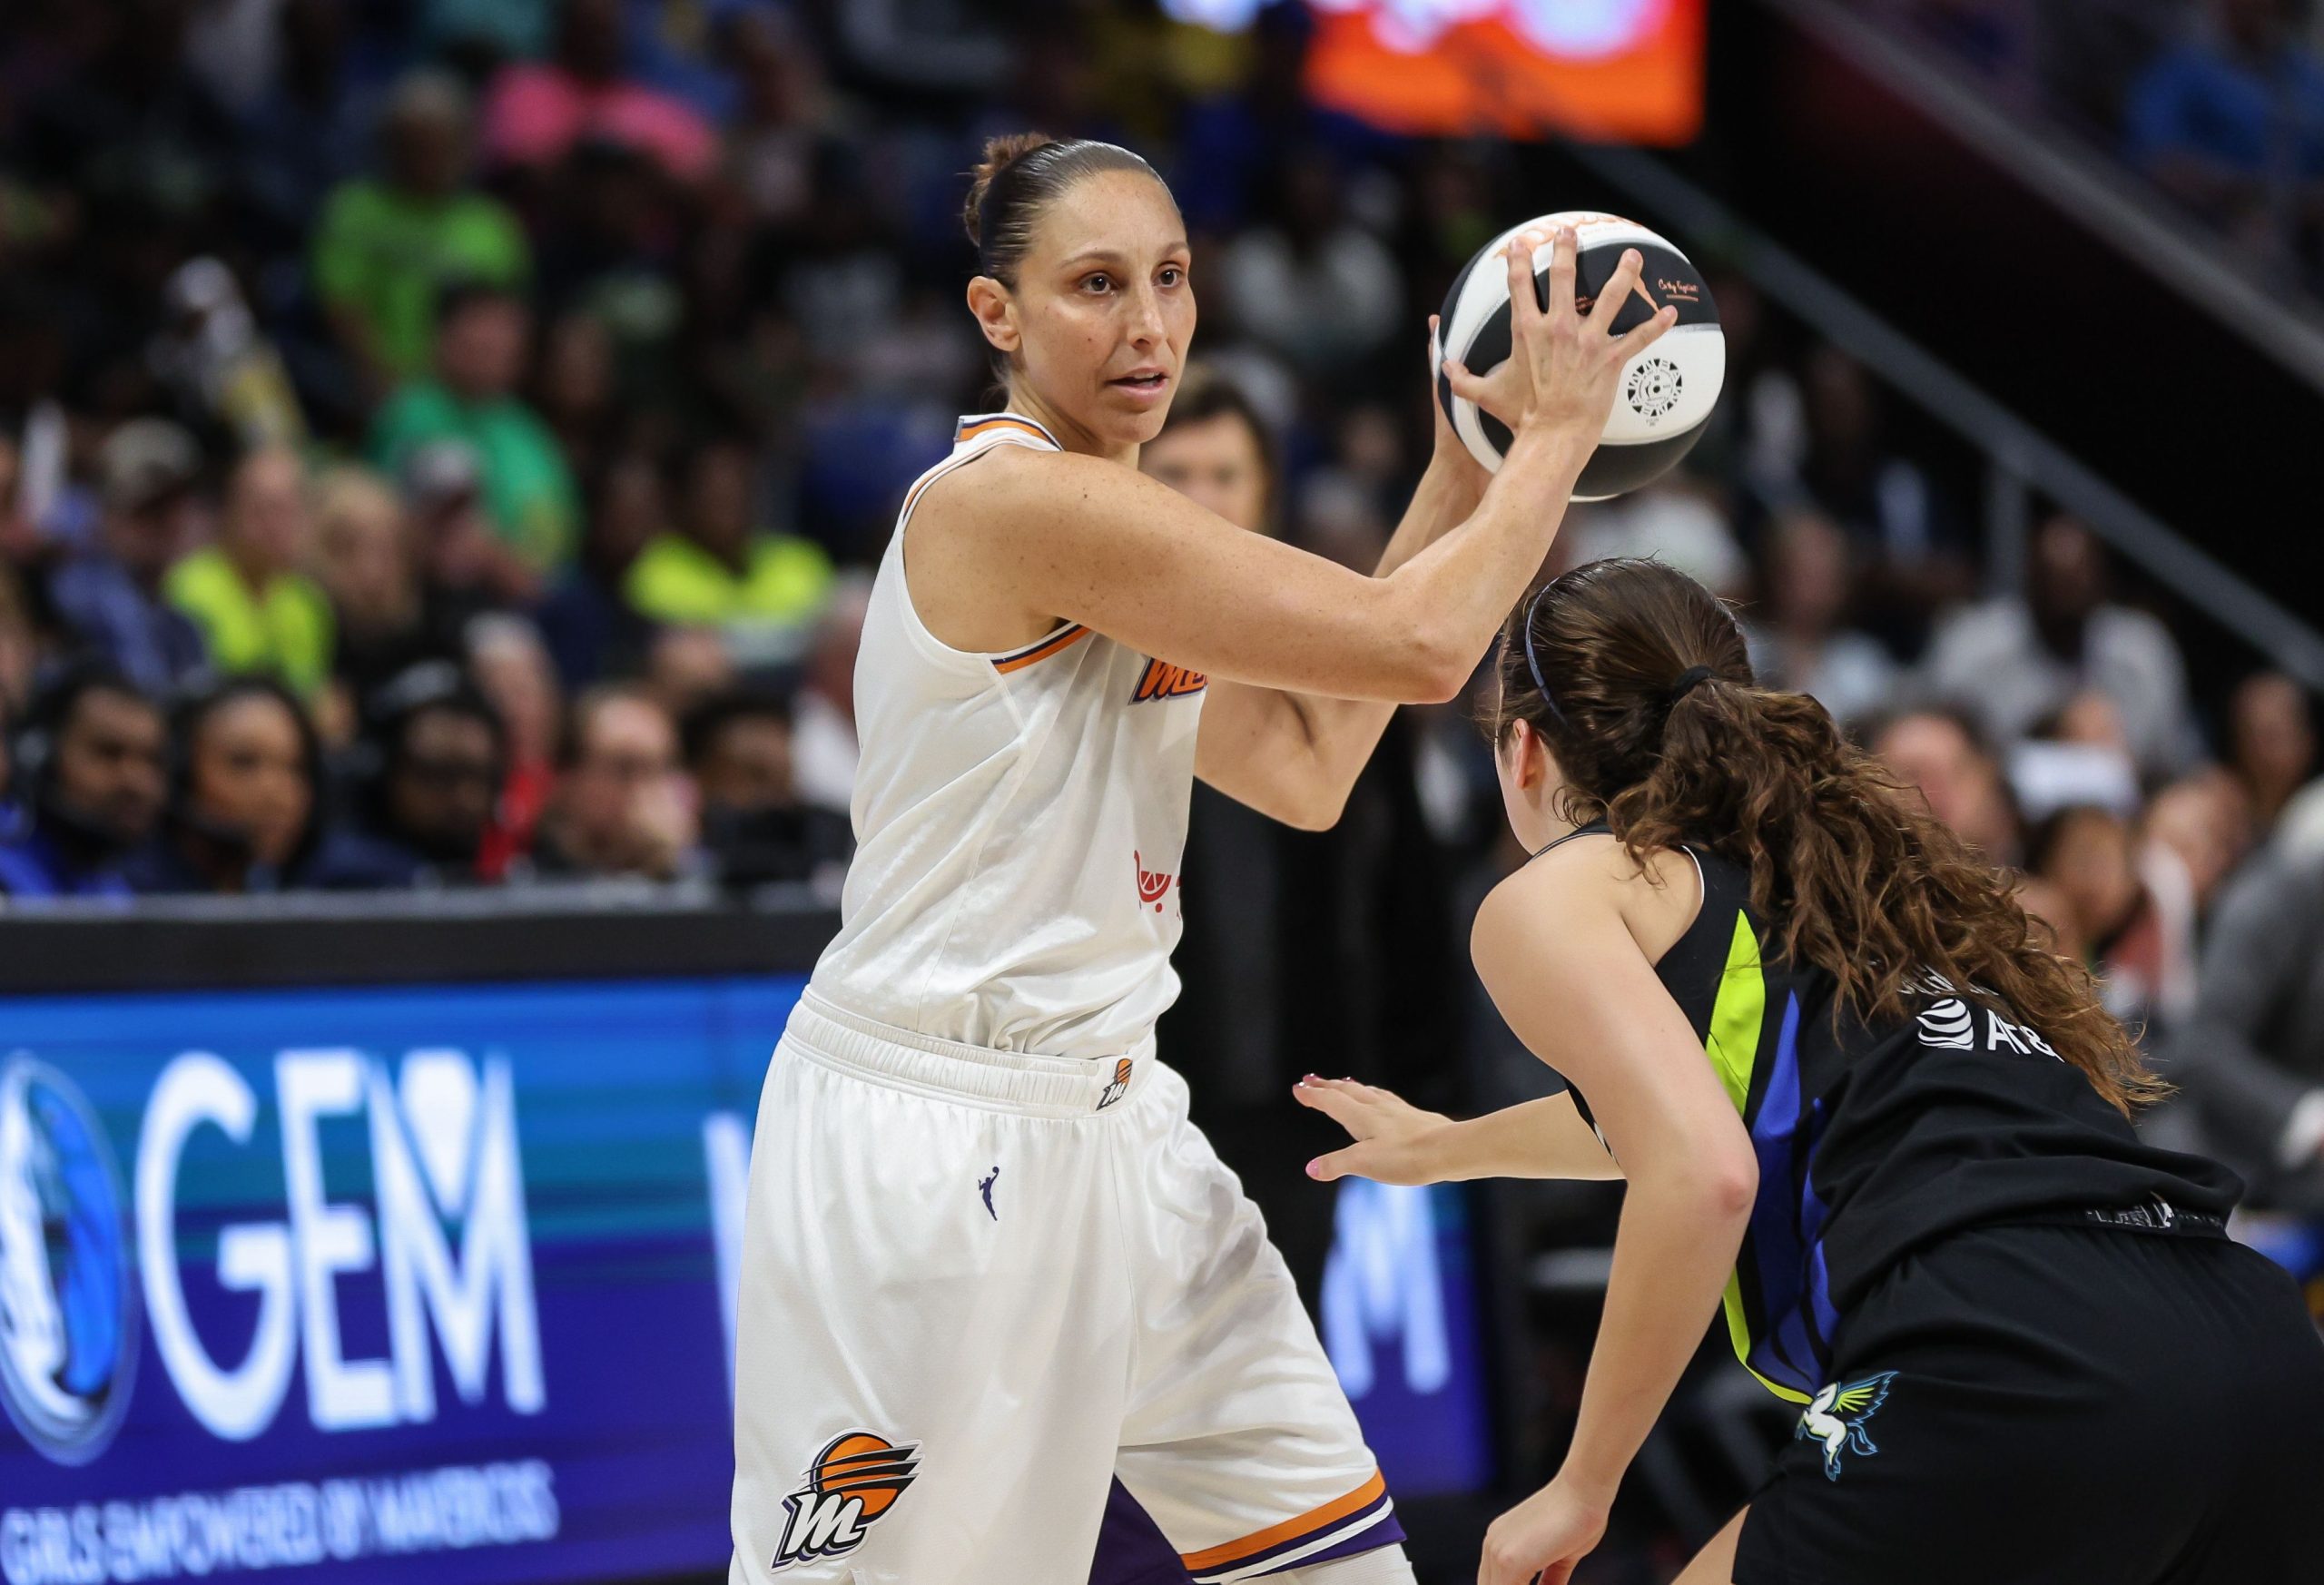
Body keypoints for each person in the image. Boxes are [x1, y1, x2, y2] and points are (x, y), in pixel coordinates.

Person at [727, 133, 1673, 1585]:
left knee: (1342, 1565)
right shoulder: (1019, 504)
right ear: (1000, 318)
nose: (1151, 325)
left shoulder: (1119, 529)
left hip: (1124, 1126)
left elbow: (1309, 765)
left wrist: (1457, 467)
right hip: (935, 1134)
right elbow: (1421, 648)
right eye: (1096, 285)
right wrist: (1551, 441)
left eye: (1170, 278)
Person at [1289, 556, 2324, 1585]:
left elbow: (1701, 1170)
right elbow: (1706, 1113)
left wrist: (1582, 1482)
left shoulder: (1560, 892)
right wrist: (1452, 1148)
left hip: (2011, 1346)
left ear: (1521, 751)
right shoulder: (1837, 885)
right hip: (2246, 1340)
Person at [369, 281, 581, 581]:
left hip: (547, 595)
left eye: (506, 328)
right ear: (444, 335)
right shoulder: (413, 415)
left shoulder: (528, 430)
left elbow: (562, 540)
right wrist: (499, 564)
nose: (494, 340)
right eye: (480, 324)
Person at [43, 419, 212, 696]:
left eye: (176, 507)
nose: (168, 524)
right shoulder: (75, 598)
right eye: (149, 510)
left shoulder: (183, 626)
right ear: (104, 515)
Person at [163, 446, 335, 700]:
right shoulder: (190, 585)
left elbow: (314, 696)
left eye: (287, 511)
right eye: (260, 510)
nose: (273, 526)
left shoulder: (308, 603)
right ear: (229, 512)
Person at [125, 676, 323, 893]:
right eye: (244, 762)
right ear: (180, 773)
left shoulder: (284, 889)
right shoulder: (120, 898)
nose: (278, 793)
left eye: (296, 767)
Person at [0, 663, 168, 902]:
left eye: (154, 760)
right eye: (108, 753)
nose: (137, 782)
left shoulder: (112, 882)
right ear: (37, 756)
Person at [683, 687, 851, 891]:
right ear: (706, 776)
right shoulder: (686, 838)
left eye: (781, 776)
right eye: (755, 775)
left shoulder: (838, 832)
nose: (771, 800)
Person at [526, 683, 697, 881]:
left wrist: (676, 865)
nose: (646, 790)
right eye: (625, 768)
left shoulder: (707, 872)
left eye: (662, 769)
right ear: (568, 778)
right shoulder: (524, 876)